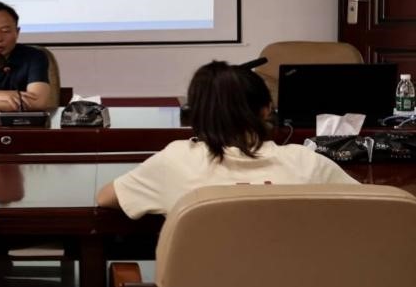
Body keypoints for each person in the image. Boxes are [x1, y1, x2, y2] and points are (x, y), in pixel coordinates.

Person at [96, 60, 358, 218]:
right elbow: (371, 204)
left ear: (195, 112)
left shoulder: (176, 160)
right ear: (266, 110)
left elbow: (106, 198)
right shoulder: (305, 162)